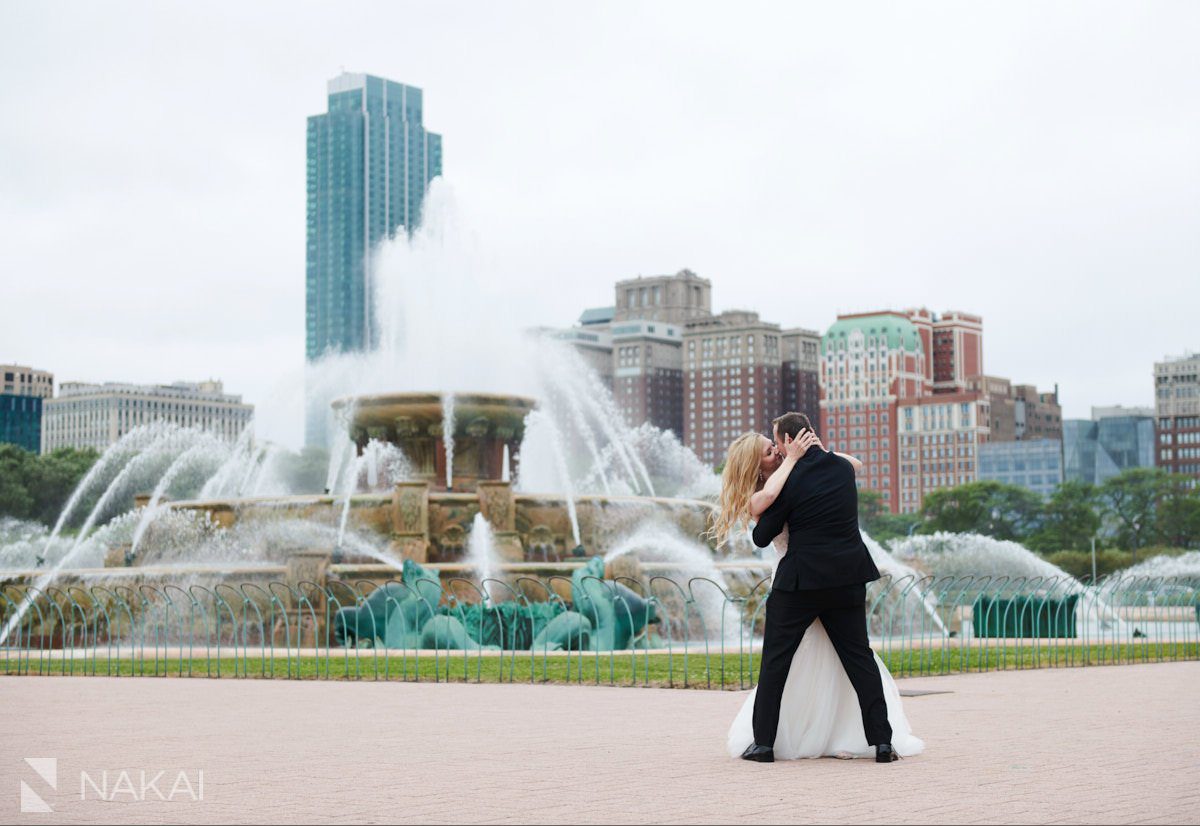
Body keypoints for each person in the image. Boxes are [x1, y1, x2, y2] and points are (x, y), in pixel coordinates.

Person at [713, 412, 923, 763]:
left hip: (800, 583)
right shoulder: (840, 471)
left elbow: (762, 536)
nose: (777, 451)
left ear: (787, 441)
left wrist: (795, 463)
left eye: (775, 443)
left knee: (776, 662)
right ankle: (883, 744)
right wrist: (811, 452)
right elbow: (850, 464)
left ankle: (764, 743)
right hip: (848, 577)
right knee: (859, 659)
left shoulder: (788, 481)